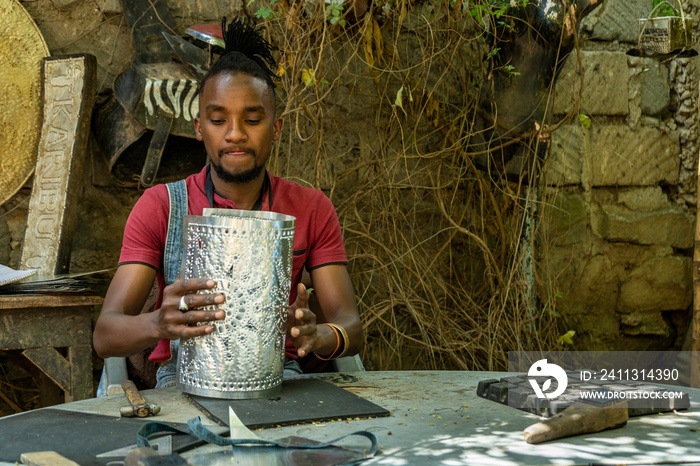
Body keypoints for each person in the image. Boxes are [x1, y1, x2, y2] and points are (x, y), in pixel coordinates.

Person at [93, 17, 363, 388]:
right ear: (200, 127)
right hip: (183, 382)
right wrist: (157, 323)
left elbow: (351, 326)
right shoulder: (161, 206)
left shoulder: (311, 208)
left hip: (281, 379)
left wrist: (318, 336)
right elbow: (105, 334)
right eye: (219, 120)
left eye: (252, 119)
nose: (235, 134)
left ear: (276, 127)